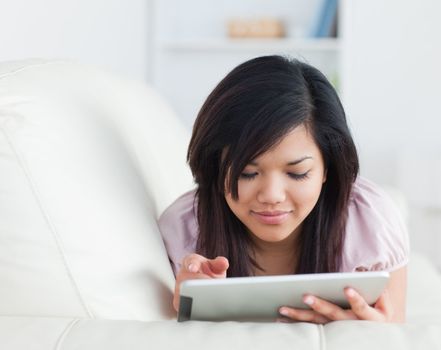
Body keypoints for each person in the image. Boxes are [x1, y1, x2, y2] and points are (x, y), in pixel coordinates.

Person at [158, 55, 409, 323]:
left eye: (297, 173)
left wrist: (372, 336)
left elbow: (396, 328)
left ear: (328, 169)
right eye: (248, 173)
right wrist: (188, 313)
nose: (272, 196)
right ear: (216, 166)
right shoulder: (186, 229)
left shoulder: (372, 223)